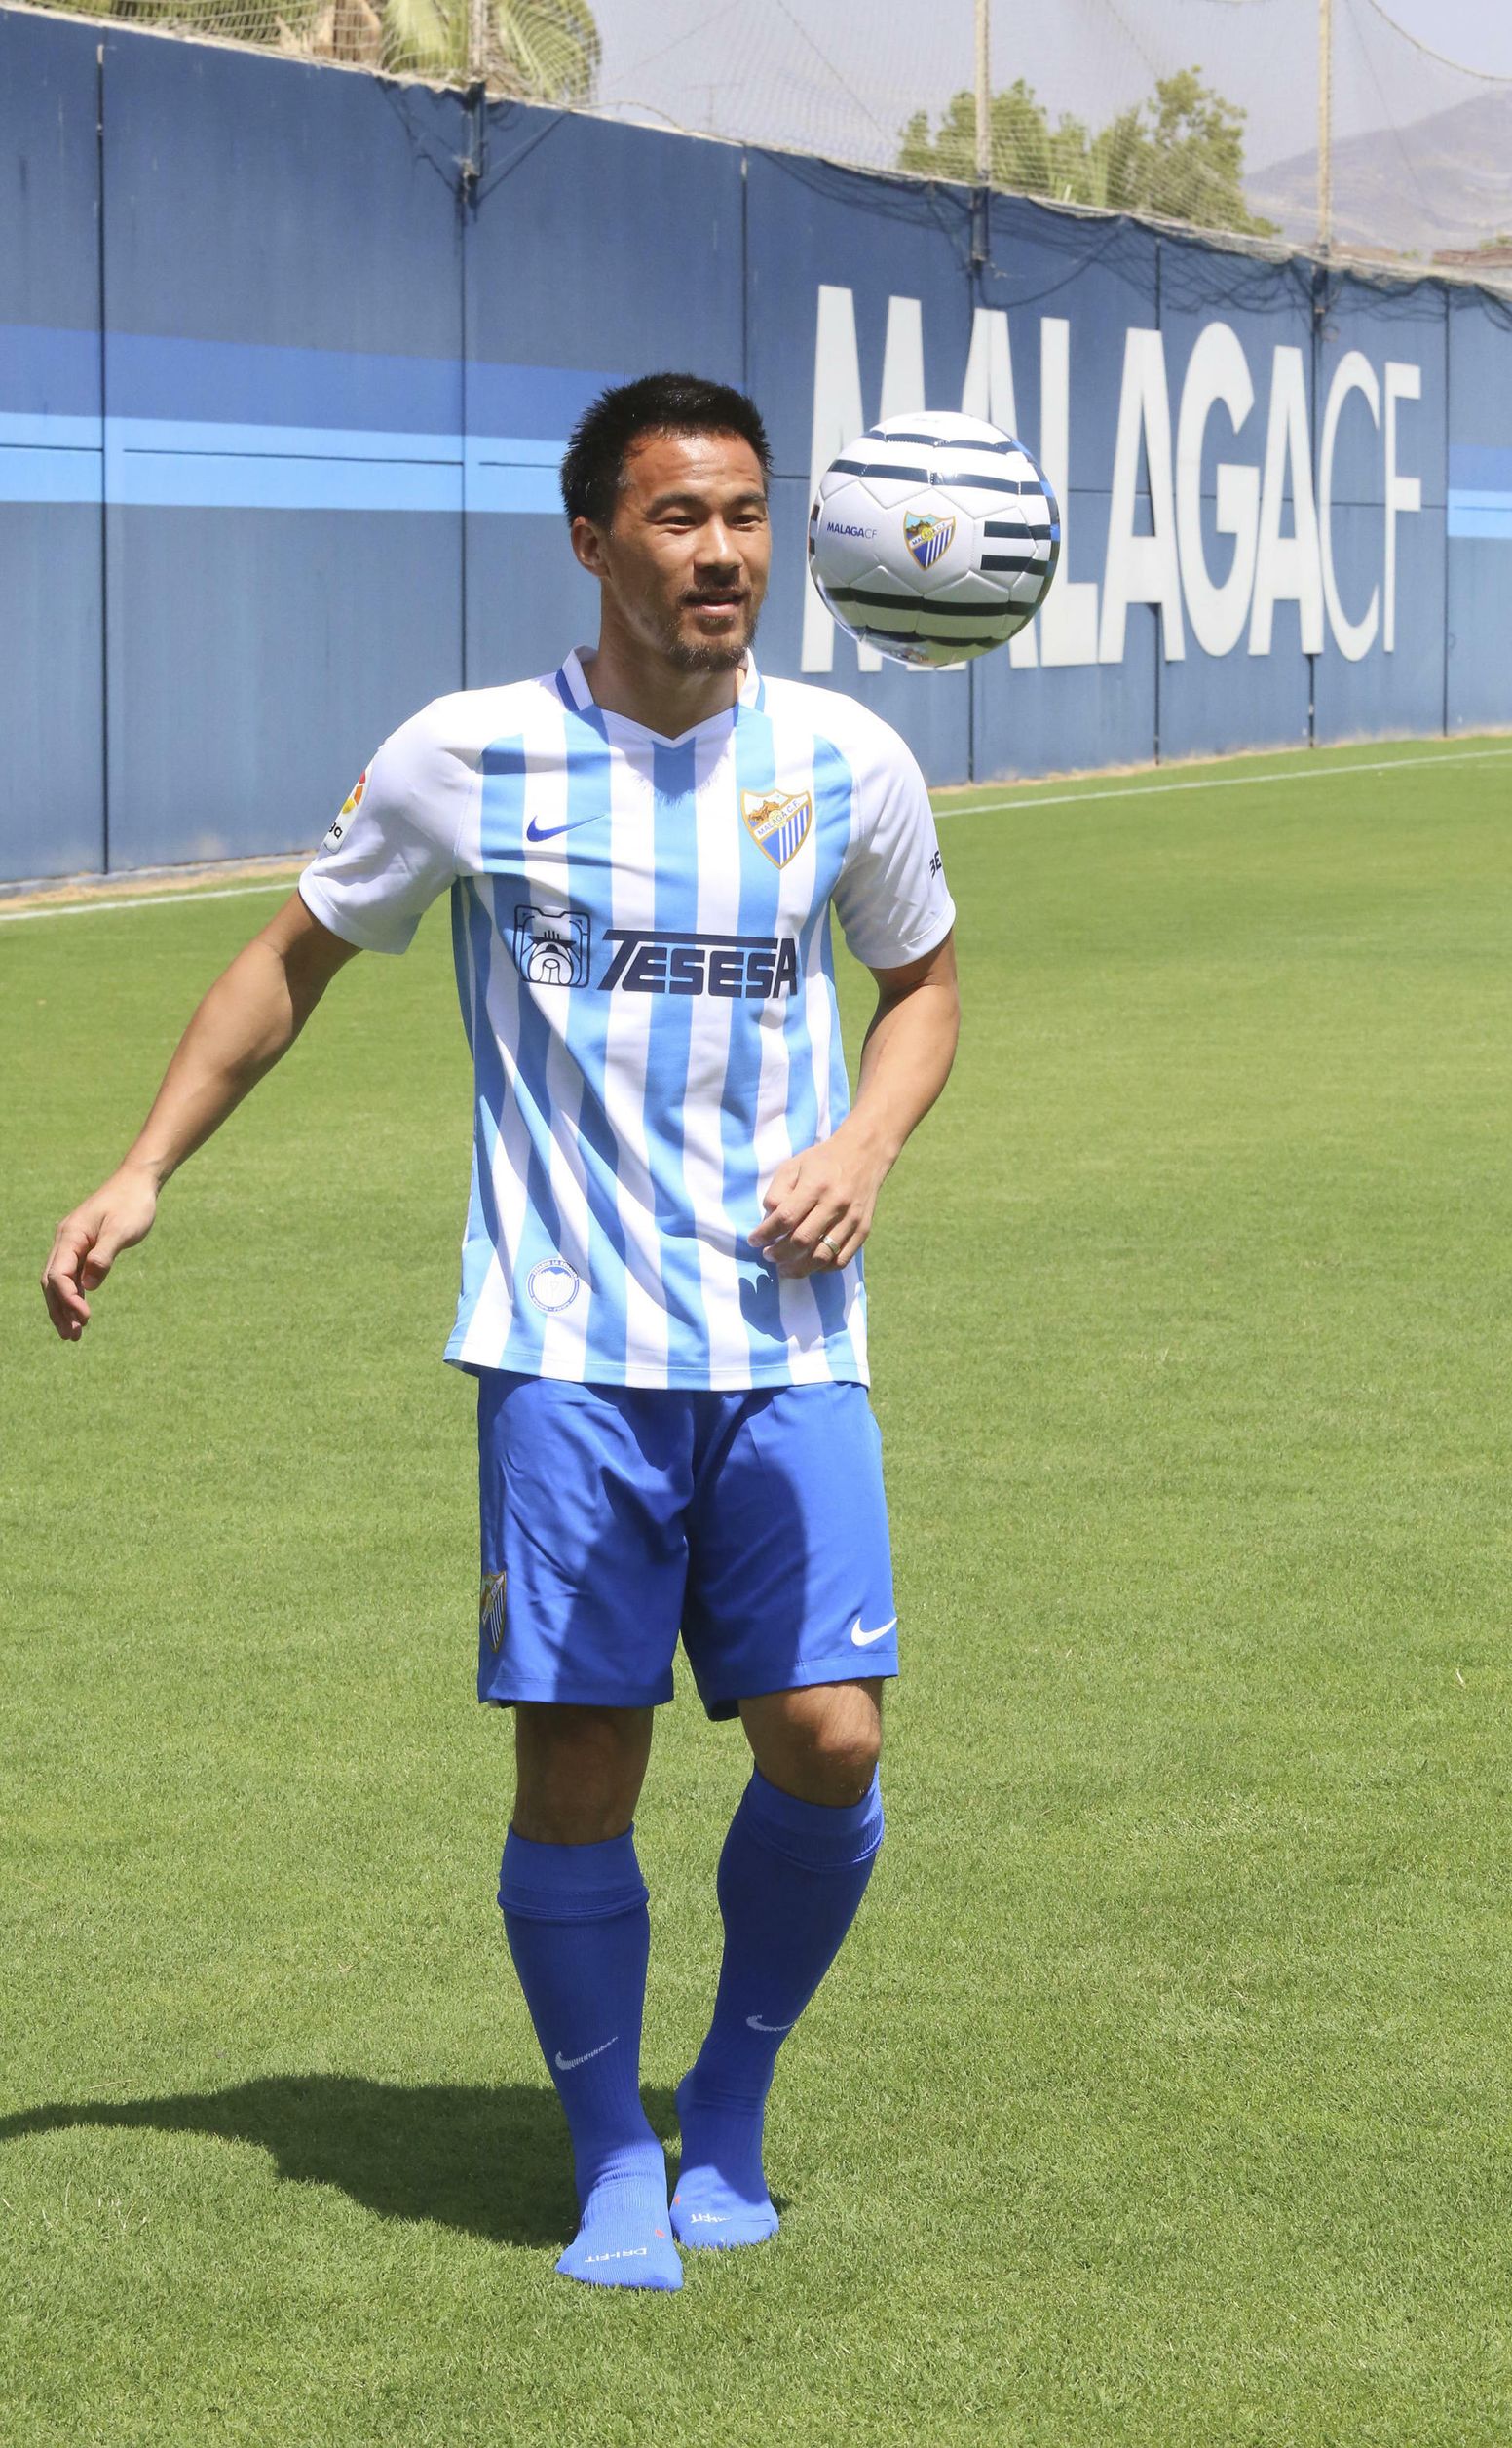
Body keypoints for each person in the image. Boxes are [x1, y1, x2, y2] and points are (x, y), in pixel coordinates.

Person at [41, 371, 960, 2292]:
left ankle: (728, 2098)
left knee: (829, 1735)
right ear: (593, 538)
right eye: (678, 517)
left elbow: (923, 984)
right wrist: (142, 1169)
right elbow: (287, 958)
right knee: (580, 1769)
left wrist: (864, 1142)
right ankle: (614, 2151)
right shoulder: (466, 755)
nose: (720, 552)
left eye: (743, 514)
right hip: (563, 1351)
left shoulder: (849, 759)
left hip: (788, 1340)